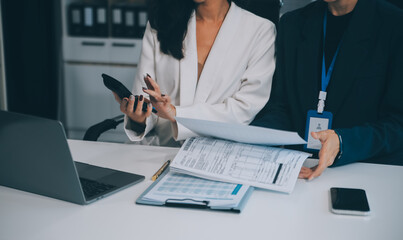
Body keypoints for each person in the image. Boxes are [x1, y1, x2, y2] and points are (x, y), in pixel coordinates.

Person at [252, 0, 403, 180]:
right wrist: (252, 138)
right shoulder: (292, 24)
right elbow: (280, 107)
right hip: (298, 170)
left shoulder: (394, 25)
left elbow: (397, 123)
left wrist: (343, 141)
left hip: (365, 171)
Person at [113, 0, 276, 146]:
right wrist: (139, 118)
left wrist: (176, 113)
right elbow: (145, 98)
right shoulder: (160, 24)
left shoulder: (260, 30)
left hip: (219, 154)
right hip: (160, 151)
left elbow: (244, 110)